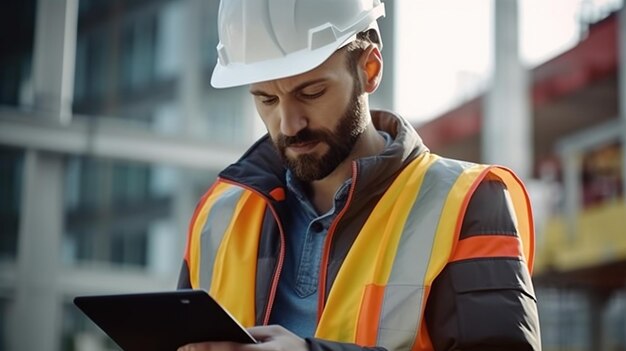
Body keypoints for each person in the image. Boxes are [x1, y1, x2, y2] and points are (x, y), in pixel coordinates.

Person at [176, 0, 541, 350]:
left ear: (369, 70)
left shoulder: (467, 202)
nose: (289, 125)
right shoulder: (219, 216)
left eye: (312, 91)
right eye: (266, 99)